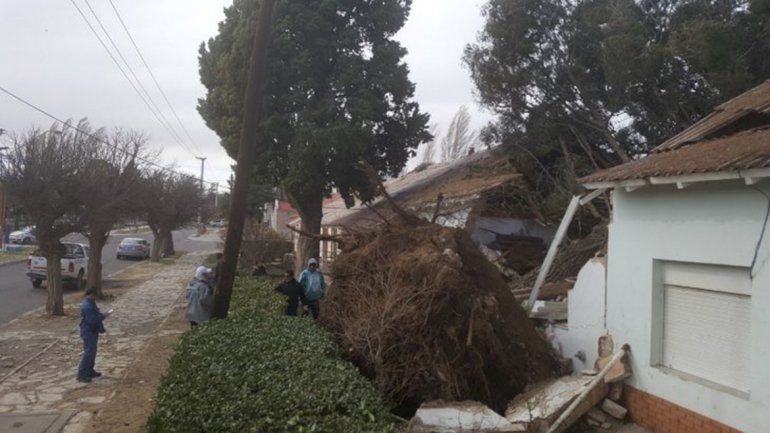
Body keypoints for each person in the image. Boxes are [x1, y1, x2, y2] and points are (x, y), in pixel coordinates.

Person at [78, 287, 109, 383]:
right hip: (88, 331)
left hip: (92, 331)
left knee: (93, 352)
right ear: (91, 294)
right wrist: (103, 316)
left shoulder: (91, 303)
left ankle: (90, 370)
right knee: (88, 353)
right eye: (95, 295)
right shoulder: (87, 306)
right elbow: (92, 320)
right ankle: (82, 373)